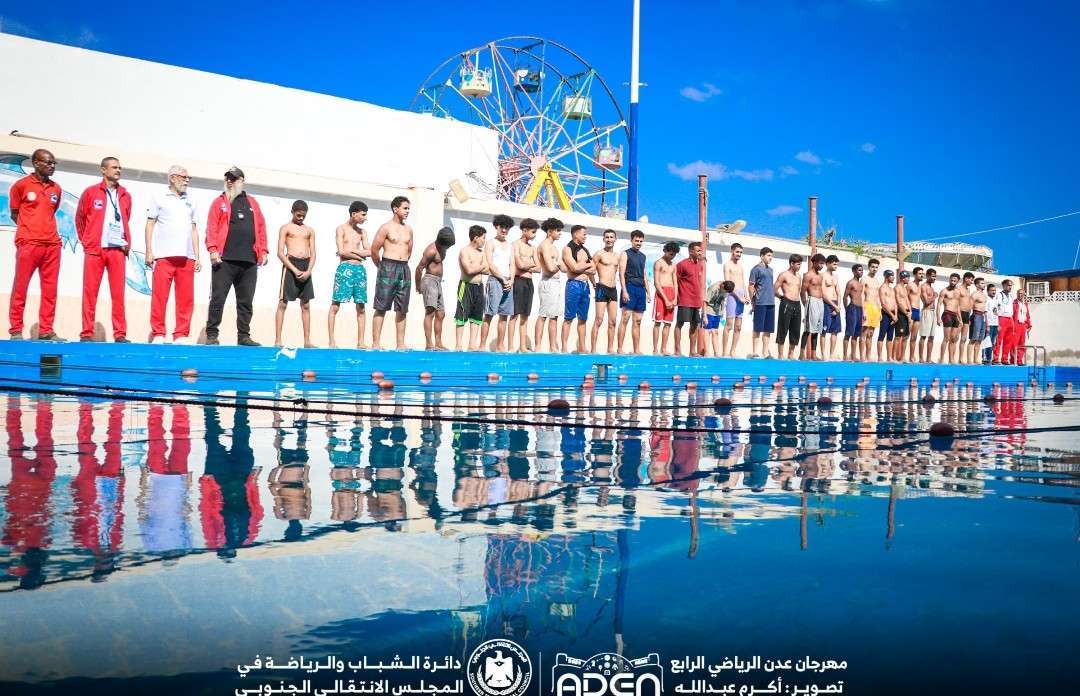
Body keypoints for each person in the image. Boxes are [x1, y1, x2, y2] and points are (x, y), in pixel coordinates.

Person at [205, 166, 268, 346]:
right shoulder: (219, 202)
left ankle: (244, 336)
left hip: (249, 260)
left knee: (246, 302)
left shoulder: (252, 203)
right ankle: (212, 334)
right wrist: (212, 249)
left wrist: (263, 251)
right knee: (218, 298)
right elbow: (211, 226)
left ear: (242, 181)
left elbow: (261, 228)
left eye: (233, 179)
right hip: (224, 260)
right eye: (228, 179)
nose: (230, 181)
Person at [8, 149, 63, 341]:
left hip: (52, 245)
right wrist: (29, 230)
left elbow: (51, 212)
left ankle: (46, 330)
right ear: (36, 163)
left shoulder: (56, 188)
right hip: (29, 244)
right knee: (20, 287)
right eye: (48, 162)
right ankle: (16, 330)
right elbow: (15, 213)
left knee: (50, 290)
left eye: (54, 163)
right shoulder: (21, 186)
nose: (52, 166)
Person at [76, 156, 132, 343]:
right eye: (114, 167)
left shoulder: (125, 195)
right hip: (95, 250)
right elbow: (80, 219)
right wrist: (87, 241)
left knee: (118, 294)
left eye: (119, 167)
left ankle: (120, 334)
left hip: (117, 250)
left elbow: (126, 218)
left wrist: (124, 242)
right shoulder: (90, 192)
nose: (118, 170)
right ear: (103, 170)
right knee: (90, 293)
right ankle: (86, 333)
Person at [145, 165, 201, 344]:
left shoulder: (191, 200)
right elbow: (150, 224)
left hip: (187, 257)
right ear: (172, 178)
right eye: (184, 177)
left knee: (186, 299)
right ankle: (158, 333)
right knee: (159, 297)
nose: (186, 181)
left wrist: (197, 256)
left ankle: (181, 334)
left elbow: (194, 228)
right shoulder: (159, 196)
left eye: (188, 178)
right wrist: (149, 251)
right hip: (164, 256)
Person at [274, 200, 316, 348]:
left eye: (303, 216)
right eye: (298, 215)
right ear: (292, 212)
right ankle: (278, 340)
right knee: (282, 303)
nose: (301, 218)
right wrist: (294, 269)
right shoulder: (285, 228)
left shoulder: (309, 230)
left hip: (305, 266)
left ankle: (307, 341)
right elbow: (280, 253)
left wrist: (308, 271)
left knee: (306, 305)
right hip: (290, 265)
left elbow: (313, 253)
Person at [329, 201, 371, 349]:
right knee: (335, 305)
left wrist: (353, 252)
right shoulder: (341, 229)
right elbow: (341, 251)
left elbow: (369, 251)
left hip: (359, 270)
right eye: (363, 215)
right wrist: (359, 255)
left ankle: (361, 342)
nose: (365, 218)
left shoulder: (362, 232)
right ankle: (332, 341)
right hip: (345, 268)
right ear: (354, 214)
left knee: (361, 306)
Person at [414, 226, 455, 350]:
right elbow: (419, 268)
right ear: (441, 242)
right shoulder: (431, 251)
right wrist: (418, 286)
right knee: (430, 312)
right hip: (429, 280)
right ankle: (429, 344)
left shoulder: (442, 248)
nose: (447, 248)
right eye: (447, 246)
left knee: (441, 313)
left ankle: (438, 343)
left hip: (438, 282)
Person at [481, 214, 515, 352]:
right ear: (496, 227)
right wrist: (502, 278)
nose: (504, 230)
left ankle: (500, 346)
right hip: (495, 280)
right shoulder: (490, 243)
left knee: (504, 315)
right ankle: (482, 345)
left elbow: (512, 264)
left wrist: (511, 280)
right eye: (502, 227)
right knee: (489, 314)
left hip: (508, 282)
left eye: (507, 228)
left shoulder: (510, 246)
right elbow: (490, 264)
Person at [561, 224, 595, 353]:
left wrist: (580, 266)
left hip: (585, 286)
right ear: (576, 234)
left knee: (583, 318)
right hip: (573, 285)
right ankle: (564, 347)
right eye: (583, 234)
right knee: (569, 317)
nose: (585, 236)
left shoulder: (585, 250)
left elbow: (594, 269)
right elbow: (574, 268)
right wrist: (585, 265)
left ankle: (582, 347)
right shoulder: (567, 249)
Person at [616, 229, 650, 354]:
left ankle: (636, 350)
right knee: (625, 318)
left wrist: (648, 292)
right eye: (636, 240)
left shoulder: (643, 256)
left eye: (641, 241)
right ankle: (620, 348)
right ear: (631, 240)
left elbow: (644, 275)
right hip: (629, 287)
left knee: (638, 321)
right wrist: (624, 291)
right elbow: (621, 273)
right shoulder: (625, 254)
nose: (638, 243)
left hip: (640, 289)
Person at [534, 218, 565, 352]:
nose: (559, 233)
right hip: (548, 282)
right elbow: (550, 268)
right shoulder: (545, 246)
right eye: (557, 230)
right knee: (543, 315)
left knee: (554, 316)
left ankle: (552, 347)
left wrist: (558, 264)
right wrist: (558, 264)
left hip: (556, 283)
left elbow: (564, 269)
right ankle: (538, 347)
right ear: (549, 231)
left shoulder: (554, 247)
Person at [455, 225, 487, 350]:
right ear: (476, 238)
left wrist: (477, 267)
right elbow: (468, 270)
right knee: (462, 314)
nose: (484, 241)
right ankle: (458, 345)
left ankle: (472, 344)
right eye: (483, 238)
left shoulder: (481, 253)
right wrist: (482, 266)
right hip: (466, 285)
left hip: (479, 287)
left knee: (476, 316)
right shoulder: (464, 251)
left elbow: (488, 270)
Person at [509, 218, 539, 352]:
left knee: (525, 316)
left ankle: (522, 346)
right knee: (514, 314)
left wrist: (526, 265)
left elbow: (539, 268)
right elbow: (519, 265)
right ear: (524, 230)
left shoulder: (533, 248)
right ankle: (510, 346)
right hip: (518, 281)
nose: (534, 235)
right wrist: (530, 265)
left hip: (529, 282)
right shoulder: (515, 244)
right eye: (533, 232)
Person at [674, 241, 706, 356]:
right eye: (698, 250)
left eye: (700, 250)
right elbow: (675, 281)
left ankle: (692, 351)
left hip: (696, 300)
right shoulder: (682, 264)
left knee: (695, 325)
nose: (700, 253)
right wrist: (676, 297)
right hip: (685, 299)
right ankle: (677, 350)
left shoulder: (700, 265)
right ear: (691, 251)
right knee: (680, 324)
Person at [591, 229, 620, 353]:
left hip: (613, 289)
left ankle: (610, 349)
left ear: (615, 239)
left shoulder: (617, 256)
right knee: (599, 319)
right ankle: (593, 349)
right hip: (602, 287)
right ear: (603, 239)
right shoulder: (599, 254)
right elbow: (591, 270)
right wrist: (594, 284)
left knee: (613, 321)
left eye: (611, 237)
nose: (609, 239)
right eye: (607, 237)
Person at [747, 247, 775, 358]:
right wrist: (753, 301)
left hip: (771, 303)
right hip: (760, 303)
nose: (770, 258)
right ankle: (754, 352)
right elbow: (751, 286)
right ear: (762, 256)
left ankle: (765, 352)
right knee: (757, 328)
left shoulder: (771, 270)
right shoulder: (755, 269)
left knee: (768, 329)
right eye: (768, 255)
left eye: (771, 256)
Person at [774, 254, 803, 360]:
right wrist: (781, 297)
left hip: (797, 304)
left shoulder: (799, 276)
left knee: (795, 330)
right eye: (798, 264)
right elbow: (774, 289)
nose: (799, 266)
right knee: (783, 329)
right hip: (786, 303)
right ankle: (780, 354)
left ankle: (791, 354)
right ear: (791, 263)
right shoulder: (784, 275)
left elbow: (798, 291)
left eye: (800, 264)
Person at [651, 242, 679, 355]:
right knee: (658, 322)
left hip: (671, 293)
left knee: (668, 323)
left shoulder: (673, 265)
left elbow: (675, 283)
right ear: (665, 251)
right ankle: (655, 349)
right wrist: (666, 299)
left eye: (674, 254)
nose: (672, 256)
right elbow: (656, 283)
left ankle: (664, 348)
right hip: (661, 294)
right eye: (671, 254)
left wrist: (675, 298)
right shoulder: (658, 263)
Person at [799, 253, 826, 360]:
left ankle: (814, 355)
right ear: (814, 262)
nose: (822, 266)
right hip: (812, 301)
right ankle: (802, 354)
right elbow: (802, 291)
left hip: (820, 302)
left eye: (823, 264)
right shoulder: (808, 275)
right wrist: (806, 305)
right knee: (808, 329)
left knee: (817, 330)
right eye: (820, 263)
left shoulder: (820, 276)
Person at [722, 242, 747, 356]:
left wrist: (746, 296)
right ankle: (724, 352)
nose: (739, 254)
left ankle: (733, 351)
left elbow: (743, 282)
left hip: (741, 296)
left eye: (740, 252)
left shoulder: (741, 267)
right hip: (732, 295)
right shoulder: (727, 265)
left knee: (738, 326)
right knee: (729, 325)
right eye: (737, 252)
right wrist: (739, 297)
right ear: (732, 251)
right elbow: (728, 285)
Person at [937, 273, 963, 364]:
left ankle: (951, 359)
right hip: (947, 314)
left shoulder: (958, 292)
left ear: (957, 281)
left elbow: (958, 306)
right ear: (949, 280)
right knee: (946, 338)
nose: (952, 282)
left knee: (953, 339)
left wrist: (960, 319)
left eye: (954, 281)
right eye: (951, 280)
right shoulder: (944, 291)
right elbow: (939, 304)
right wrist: (938, 318)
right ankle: (941, 359)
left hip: (955, 316)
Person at [861, 258, 882, 361]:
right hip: (867, 306)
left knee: (871, 334)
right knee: (864, 333)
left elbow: (878, 297)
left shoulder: (877, 281)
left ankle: (868, 356)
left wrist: (880, 310)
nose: (874, 269)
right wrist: (863, 310)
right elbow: (861, 295)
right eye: (873, 267)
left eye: (876, 267)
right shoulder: (864, 279)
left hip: (875, 308)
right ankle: (862, 356)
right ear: (869, 267)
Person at [704, 280, 732, 357]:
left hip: (717, 311)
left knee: (715, 331)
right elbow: (705, 302)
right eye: (725, 291)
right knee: (707, 331)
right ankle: (706, 352)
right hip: (709, 310)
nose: (725, 292)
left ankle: (716, 352)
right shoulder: (713, 288)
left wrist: (722, 312)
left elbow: (722, 300)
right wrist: (705, 316)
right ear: (722, 286)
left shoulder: (726, 289)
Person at [843, 264, 864, 362]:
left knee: (856, 334)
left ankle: (853, 355)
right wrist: (846, 309)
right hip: (852, 308)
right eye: (859, 270)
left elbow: (861, 297)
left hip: (860, 309)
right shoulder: (850, 283)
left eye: (862, 270)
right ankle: (845, 356)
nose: (861, 272)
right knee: (848, 333)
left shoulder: (860, 284)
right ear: (854, 271)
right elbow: (845, 297)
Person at [822, 255, 842, 359]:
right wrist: (834, 306)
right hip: (826, 304)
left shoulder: (836, 277)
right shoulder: (823, 276)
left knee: (835, 331)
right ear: (828, 264)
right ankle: (823, 354)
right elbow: (823, 294)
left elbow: (839, 292)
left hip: (835, 305)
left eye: (837, 264)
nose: (836, 266)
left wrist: (838, 306)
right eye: (834, 264)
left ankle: (831, 354)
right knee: (824, 330)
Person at [877, 270, 898, 362]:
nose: (893, 277)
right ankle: (879, 357)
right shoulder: (882, 288)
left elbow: (895, 303)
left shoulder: (892, 289)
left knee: (890, 337)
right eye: (892, 276)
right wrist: (892, 315)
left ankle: (889, 357)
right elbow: (883, 304)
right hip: (886, 314)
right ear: (887, 277)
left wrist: (895, 315)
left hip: (893, 315)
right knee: (882, 335)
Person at [991, 278, 1014, 364]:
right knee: (998, 340)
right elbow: (994, 308)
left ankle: (1005, 359)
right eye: (1008, 285)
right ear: (1004, 286)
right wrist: (996, 320)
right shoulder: (999, 295)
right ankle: (995, 358)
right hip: (1001, 318)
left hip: (1010, 319)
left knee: (1008, 340)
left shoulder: (1011, 296)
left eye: (1011, 285)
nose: (1010, 287)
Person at [917, 269, 938, 363]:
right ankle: (921, 358)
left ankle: (928, 358)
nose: (934, 278)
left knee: (931, 337)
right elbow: (926, 302)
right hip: (926, 312)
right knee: (923, 336)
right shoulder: (924, 286)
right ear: (928, 276)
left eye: (935, 276)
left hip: (933, 312)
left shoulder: (931, 287)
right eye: (933, 276)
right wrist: (935, 296)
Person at [968, 277, 988, 364]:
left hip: (983, 317)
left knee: (980, 340)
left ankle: (975, 359)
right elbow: (969, 307)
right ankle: (969, 360)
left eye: (984, 283)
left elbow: (985, 308)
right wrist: (969, 319)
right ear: (977, 285)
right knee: (973, 339)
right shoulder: (974, 294)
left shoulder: (984, 295)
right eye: (982, 283)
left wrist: (986, 321)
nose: (984, 285)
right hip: (976, 316)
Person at [893, 270, 913, 362]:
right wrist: (906, 313)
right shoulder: (897, 288)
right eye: (908, 277)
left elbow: (907, 301)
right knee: (898, 336)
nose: (909, 279)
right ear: (903, 278)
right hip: (901, 314)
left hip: (907, 313)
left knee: (905, 336)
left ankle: (902, 357)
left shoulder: (904, 288)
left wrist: (910, 312)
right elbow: (899, 302)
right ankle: (894, 357)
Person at [906, 267, 924, 362]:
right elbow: (904, 298)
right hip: (911, 310)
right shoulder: (910, 285)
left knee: (914, 337)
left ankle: (911, 357)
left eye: (922, 274)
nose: (921, 275)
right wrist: (908, 311)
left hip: (917, 311)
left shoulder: (920, 286)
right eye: (920, 274)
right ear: (915, 274)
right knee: (905, 336)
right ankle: (901, 356)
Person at [957, 272, 975, 363]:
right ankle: (951, 358)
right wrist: (959, 317)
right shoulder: (958, 288)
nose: (972, 282)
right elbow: (956, 303)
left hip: (967, 314)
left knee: (963, 338)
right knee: (955, 338)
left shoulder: (968, 290)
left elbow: (968, 303)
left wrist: (969, 316)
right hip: (959, 313)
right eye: (971, 280)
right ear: (966, 279)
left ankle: (961, 358)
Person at [1010, 290, 1032, 365]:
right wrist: (1012, 325)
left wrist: (1029, 325)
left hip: (1023, 325)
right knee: (1014, 344)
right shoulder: (1014, 303)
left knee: (1022, 343)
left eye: (1022, 294)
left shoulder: (1025, 304)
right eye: (1019, 293)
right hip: (1016, 325)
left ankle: (1019, 360)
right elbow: (1011, 315)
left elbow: (1027, 315)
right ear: (1017, 294)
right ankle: (1013, 360)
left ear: (1024, 295)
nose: (1020, 295)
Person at [983, 282, 1001, 364]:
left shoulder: (996, 300)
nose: (993, 292)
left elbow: (997, 313)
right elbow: (985, 313)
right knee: (987, 342)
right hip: (989, 324)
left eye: (994, 290)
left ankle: (990, 358)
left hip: (995, 324)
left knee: (993, 342)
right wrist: (987, 325)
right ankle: (985, 359)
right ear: (988, 291)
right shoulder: (986, 300)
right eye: (992, 290)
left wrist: (998, 324)